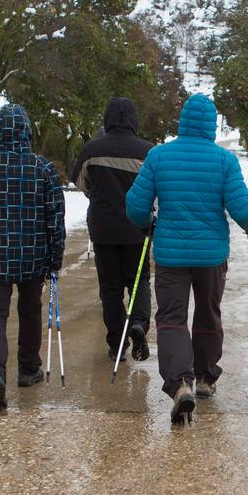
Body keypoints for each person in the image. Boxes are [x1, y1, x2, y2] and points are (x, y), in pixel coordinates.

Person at [125, 94, 248, 425]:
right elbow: (241, 205)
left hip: (172, 255)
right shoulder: (224, 161)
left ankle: (179, 384)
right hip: (211, 255)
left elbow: (134, 205)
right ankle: (205, 377)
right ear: (211, 125)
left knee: (171, 318)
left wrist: (146, 222)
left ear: (182, 121)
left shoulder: (158, 156)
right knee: (208, 313)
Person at [0, 104, 66, 410]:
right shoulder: (42, 168)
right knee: (30, 310)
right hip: (32, 255)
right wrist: (55, 258)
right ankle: (29, 369)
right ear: (26, 132)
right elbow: (54, 219)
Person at [70, 97, 154, 362]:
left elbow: (81, 184)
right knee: (138, 279)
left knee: (110, 288)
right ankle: (139, 323)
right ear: (133, 120)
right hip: (137, 230)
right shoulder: (148, 152)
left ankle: (116, 341)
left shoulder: (92, 150)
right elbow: (157, 190)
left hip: (103, 229)